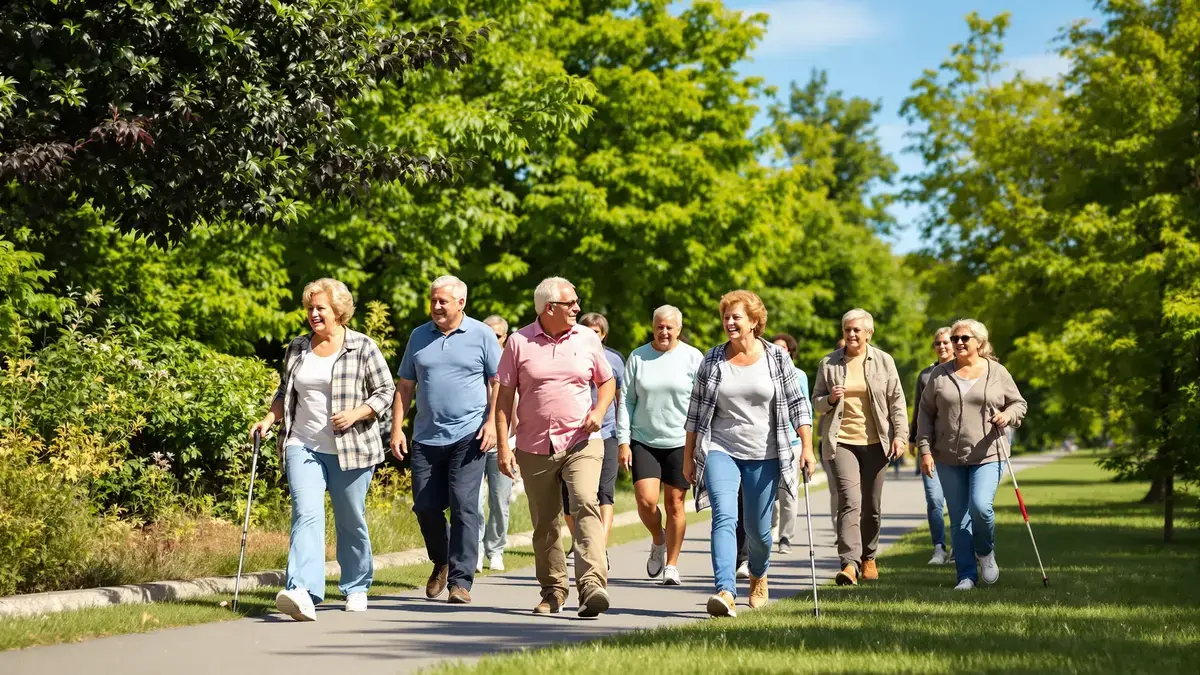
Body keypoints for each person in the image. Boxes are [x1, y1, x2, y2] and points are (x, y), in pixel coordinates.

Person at [250, 278, 395, 622]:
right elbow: (285, 391)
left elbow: (386, 391)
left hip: (353, 448)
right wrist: (268, 420)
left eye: (321, 308)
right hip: (303, 444)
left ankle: (356, 586)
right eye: (310, 308)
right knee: (306, 513)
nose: (314, 314)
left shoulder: (362, 346)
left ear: (339, 311)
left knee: (350, 519)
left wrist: (357, 413)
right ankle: (303, 591)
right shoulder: (298, 347)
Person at [683, 290, 814, 618]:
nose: (728, 322)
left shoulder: (777, 358)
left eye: (736, 317)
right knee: (724, 516)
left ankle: (758, 573)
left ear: (755, 322)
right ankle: (725, 590)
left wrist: (807, 447)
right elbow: (695, 413)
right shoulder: (712, 359)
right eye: (726, 317)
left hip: (765, 452)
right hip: (720, 448)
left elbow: (799, 404)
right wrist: (689, 456)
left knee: (758, 530)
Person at [495, 277, 616, 617]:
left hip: (582, 441)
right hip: (534, 446)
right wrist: (505, 448)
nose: (577, 307)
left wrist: (599, 410)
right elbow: (503, 401)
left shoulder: (588, 338)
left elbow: (606, 382)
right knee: (545, 521)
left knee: (585, 504)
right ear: (550, 308)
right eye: (571, 303)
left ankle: (592, 585)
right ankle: (553, 590)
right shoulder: (518, 342)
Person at [391, 276, 501, 605]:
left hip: (469, 435)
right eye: (433, 300)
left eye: (444, 301)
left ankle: (461, 581)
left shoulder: (482, 334)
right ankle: (441, 559)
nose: (437, 306)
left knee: (464, 506)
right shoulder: (419, 336)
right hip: (426, 437)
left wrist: (493, 423)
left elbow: (499, 383)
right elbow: (405, 385)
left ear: (461, 304)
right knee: (425, 507)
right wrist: (397, 428)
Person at [917, 319, 1027, 590]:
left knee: (980, 507)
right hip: (947, 457)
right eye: (954, 339)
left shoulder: (996, 372)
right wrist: (925, 450)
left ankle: (985, 551)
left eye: (964, 338)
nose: (958, 343)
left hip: (989, 453)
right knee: (958, 518)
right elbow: (925, 414)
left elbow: (1018, 403)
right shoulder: (939, 375)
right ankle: (966, 575)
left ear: (979, 341)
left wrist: (1007, 415)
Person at [812, 308, 908, 587]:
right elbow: (816, 401)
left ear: (869, 333)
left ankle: (869, 556)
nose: (851, 334)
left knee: (872, 507)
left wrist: (900, 436)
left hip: (877, 441)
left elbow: (896, 402)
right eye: (847, 330)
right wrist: (829, 399)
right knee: (849, 502)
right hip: (841, 440)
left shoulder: (884, 361)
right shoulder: (828, 363)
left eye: (857, 330)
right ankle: (849, 564)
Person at [616, 305, 702, 586]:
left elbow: (702, 403)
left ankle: (672, 565)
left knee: (675, 503)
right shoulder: (639, 357)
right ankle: (658, 538)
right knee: (646, 501)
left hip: (680, 441)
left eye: (669, 327)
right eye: (659, 327)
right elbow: (627, 401)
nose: (664, 332)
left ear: (679, 328)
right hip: (645, 439)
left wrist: (700, 442)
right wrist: (624, 441)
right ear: (652, 328)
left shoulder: (692, 358)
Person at [562, 313, 624, 553]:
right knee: (569, 499)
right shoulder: (568, 354)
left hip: (606, 433)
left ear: (603, 334)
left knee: (604, 493)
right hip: (571, 435)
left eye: (596, 331)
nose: (591, 334)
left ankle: (598, 548)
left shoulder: (615, 359)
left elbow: (621, 399)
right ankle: (584, 541)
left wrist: (623, 437)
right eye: (586, 329)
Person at [912, 327, 955, 565]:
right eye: (938, 343)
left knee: (959, 501)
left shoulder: (963, 372)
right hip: (931, 447)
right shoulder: (926, 376)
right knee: (934, 499)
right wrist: (912, 438)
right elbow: (920, 410)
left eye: (946, 342)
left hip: (956, 448)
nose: (942, 347)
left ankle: (960, 548)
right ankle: (939, 547)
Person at [476, 315, 514, 573]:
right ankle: (476, 548)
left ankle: (496, 548)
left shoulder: (512, 364)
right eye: (487, 334)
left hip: (505, 441)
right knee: (474, 500)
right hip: (475, 440)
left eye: (497, 336)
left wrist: (515, 442)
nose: (492, 339)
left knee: (500, 500)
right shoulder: (473, 359)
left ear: (505, 338)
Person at [768, 333, 810, 555]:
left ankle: (786, 536)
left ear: (790, 351)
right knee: (770, 492)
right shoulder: (762, 373)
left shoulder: (799, 375)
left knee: (789, 492)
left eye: (782, 348)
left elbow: (805, 407)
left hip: (792, 442)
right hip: (767, 441)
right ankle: (772, 528)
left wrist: (806, 444)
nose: (778, 352)